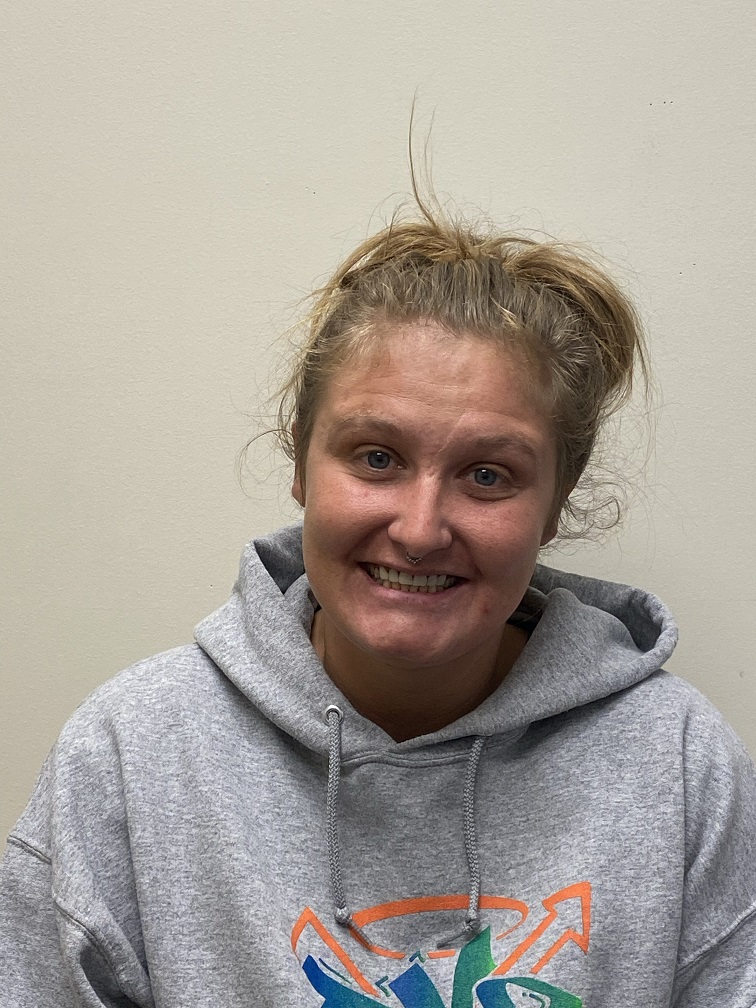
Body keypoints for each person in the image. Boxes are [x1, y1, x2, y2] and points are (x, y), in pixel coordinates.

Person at [1, 197, 755, 1008]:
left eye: (488, 475)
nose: (420, 530)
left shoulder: (679, 766)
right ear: (301, 465)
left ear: (555, 506)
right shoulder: (130, 756)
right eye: (376, 458)